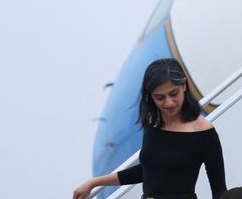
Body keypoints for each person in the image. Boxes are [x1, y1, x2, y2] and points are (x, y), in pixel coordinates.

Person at [73, 58, 227, 199]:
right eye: (160, 97)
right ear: (151, 97)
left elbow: (219, 190)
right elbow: (149, 170)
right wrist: (94, 182)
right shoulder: (153, 123)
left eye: (173, 94)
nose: (169, 103)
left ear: (184, 85)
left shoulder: (203, 131)